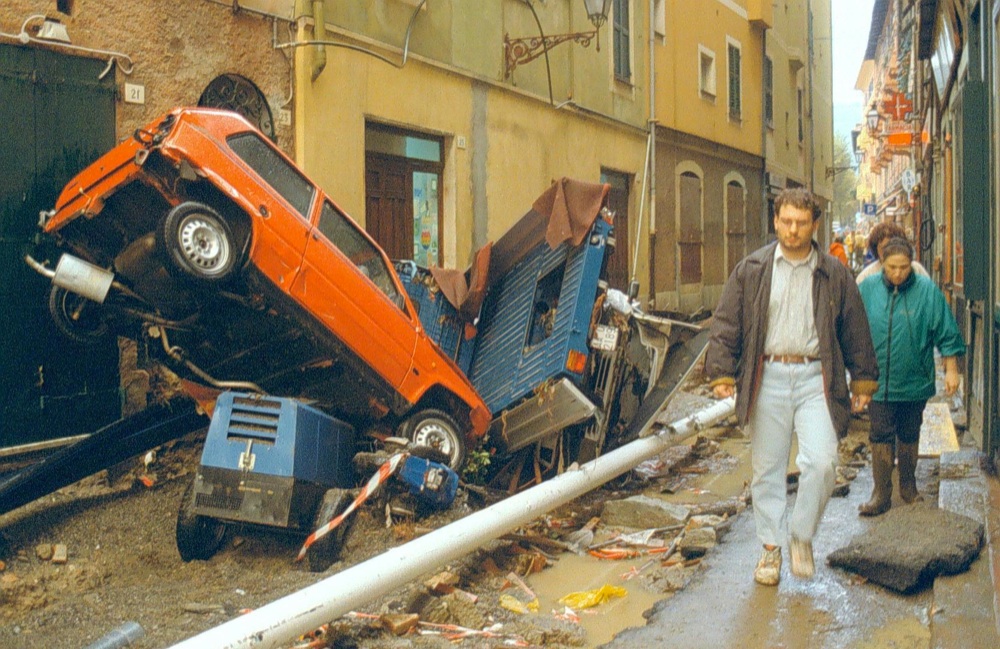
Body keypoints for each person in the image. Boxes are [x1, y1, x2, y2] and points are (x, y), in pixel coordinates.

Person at [706, 188, 879, 586]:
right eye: (786, 221)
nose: (793, 230)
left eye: (801, 222)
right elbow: (727, 323)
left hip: (816, 377)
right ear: (776, 221)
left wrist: (863, 378)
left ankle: (801, 533)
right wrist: (722, 373)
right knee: (767, 469)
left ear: (814, 225)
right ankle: (770, 549)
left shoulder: (834, 273)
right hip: (767, 377)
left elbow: (855, 327)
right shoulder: (752, 269)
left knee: (822, 462)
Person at [856, 237, 965, 515]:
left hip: (914, 380)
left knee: (908, 431)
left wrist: (951, 369)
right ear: (882, 264)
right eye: (891, 267)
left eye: (903, 267)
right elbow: (850, 329)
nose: (897, 273)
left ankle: (908, 486)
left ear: (911, 265)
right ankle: (880, 493)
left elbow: (946, 331)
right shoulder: (867, 289)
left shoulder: (927, 292)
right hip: (877, 382)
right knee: (879, 433)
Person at [855, 222, 929, 284]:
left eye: (891, 247)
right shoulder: (866, 276)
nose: (888, 252)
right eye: (883, 248)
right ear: (876, 249)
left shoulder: (916, 270)